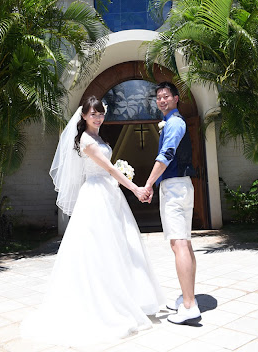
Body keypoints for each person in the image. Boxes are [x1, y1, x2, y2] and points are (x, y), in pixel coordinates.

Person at [21, 96, 164, 348]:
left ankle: (126, 296)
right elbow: (109, 169)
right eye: (93, 114)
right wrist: (136, 189)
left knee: (119, 247)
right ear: (84, 116)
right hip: (96, 195)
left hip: (109, 194)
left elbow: (110, 168)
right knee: (98, 249)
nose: (98, 117)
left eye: (101, 113)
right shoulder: (86, 141)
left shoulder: (99, 138)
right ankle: (102, 304)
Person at [142, 82, 200, 325]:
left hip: (175, 187)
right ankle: (188, 298)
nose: (162, 100)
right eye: (159, 97)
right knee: (184, 243)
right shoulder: (173, 122)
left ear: (177, 99)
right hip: (179, 186)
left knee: (179, 245)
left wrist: (147, 185)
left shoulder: (175, 123)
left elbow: (166, 156)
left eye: (166, 96)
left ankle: (189, 306)